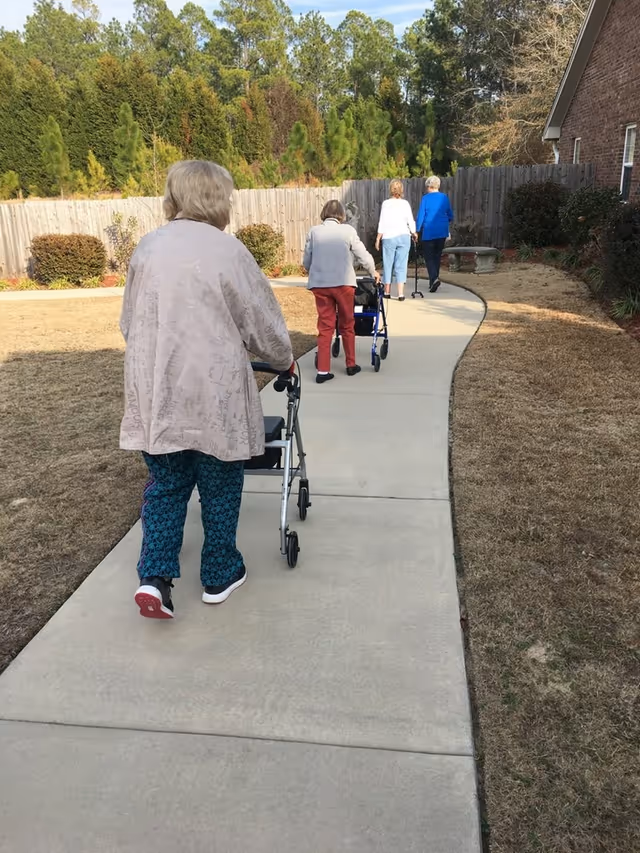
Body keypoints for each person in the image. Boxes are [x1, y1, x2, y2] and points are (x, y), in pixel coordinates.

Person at [120, 160, 294, 620]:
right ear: (219, 200)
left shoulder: (147, 248)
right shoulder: (228, 252)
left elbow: (128, 322)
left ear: (174, 197)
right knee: (219, 485)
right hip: (214, 393)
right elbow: (261, 321)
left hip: (160, 394)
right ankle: (219, 573)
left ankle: (154, 577)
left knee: (167, 485)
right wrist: (283, 359)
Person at [303, 199, 379, 384]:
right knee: (347, 324)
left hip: (320, 285)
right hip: (344, 284)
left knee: (325, 327)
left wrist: (312, 271)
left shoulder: (314, 232)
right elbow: (363, 255)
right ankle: (351, 365)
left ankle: (322, 371)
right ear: (341, 216)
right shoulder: (348, 231)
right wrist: (373, 271)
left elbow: (306, 260)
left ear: (324, 214)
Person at [375, 179, 417, 301]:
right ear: (401, 190)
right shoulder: (405, 204)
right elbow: (410, 220)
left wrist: (378, 238)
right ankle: (400, 293)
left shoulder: (386, 204)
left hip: (389, 237)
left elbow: (382, 222)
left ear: (390, 190)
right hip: (404, 236)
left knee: (388, 264)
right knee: (401, 265)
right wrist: (414, 233)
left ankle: (387, 291)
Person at [415, 175, 454, 293]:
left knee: (429, 257)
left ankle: (434, 279)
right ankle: (433, 281)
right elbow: (450, 215)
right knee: (437, 256)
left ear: (429, 186)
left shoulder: (426, 199)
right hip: (442, 231)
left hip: (429, 231)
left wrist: (416, 230)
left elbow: (421, 216)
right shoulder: (444, 198)